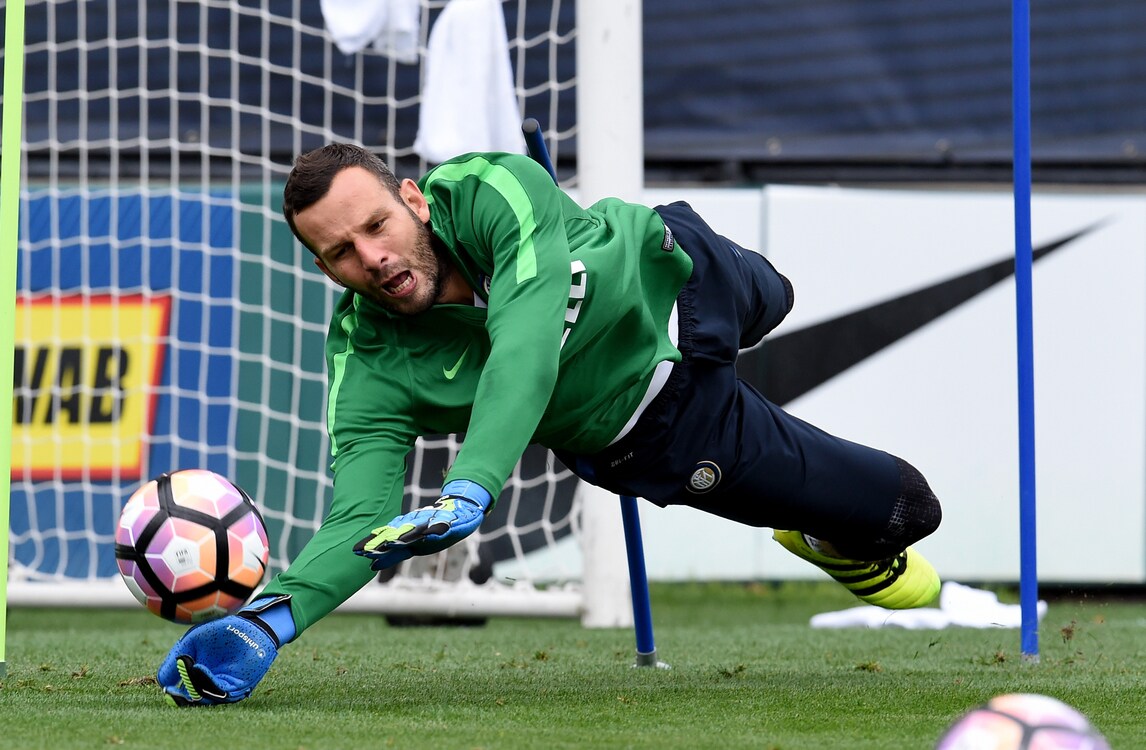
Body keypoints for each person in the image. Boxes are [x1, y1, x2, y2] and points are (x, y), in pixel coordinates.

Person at [157, 144, 943, 706]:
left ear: (414, 199)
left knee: (778, 293)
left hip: (684, 272)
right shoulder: (366, 366)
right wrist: (269, 622)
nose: (374, 257)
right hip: (665, 429)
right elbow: (359, 519)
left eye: (377, 225)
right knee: (907, 508)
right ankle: (823, 534)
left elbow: (525, 350)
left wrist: (470, 488)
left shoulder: (492, 186)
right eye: (342, 252)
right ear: (324, 269)